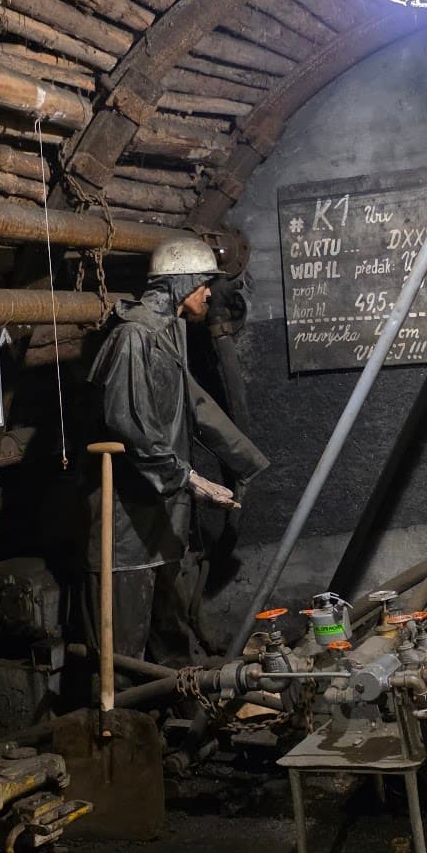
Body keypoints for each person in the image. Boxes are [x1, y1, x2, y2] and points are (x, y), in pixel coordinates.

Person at [86, 236, 268, 663]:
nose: (208, 293)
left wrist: (245, 462)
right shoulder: (134, 337)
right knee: (122, 651)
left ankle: (172, 703)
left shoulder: (168, 333)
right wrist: (189, 478)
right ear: (180, 284)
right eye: (202, 284)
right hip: (126, 523)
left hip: (163, 513)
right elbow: (129, 425)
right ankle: (124, 707)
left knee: (169, 640)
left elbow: (194, 403)